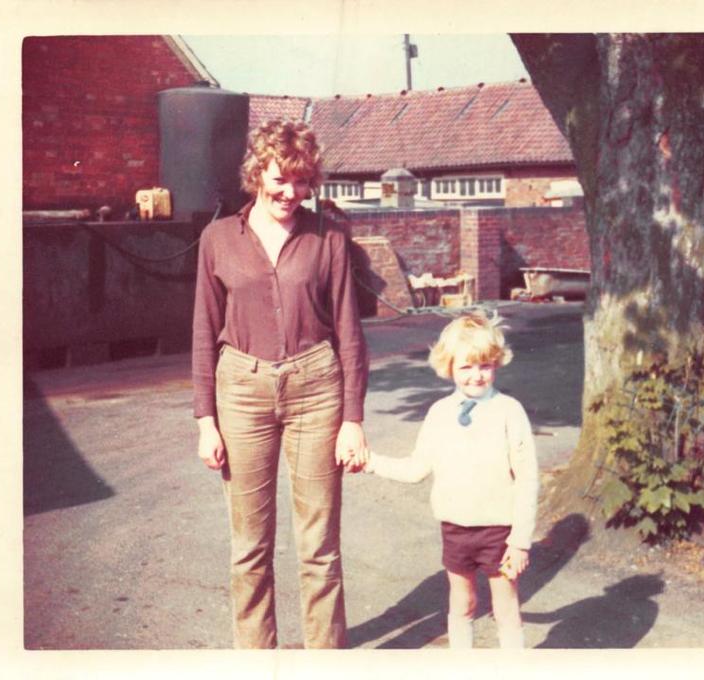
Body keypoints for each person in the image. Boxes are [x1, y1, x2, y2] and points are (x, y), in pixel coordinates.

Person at [191, 119, 369, 649]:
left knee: (319, 547)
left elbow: (349, 332)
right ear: (257, 174)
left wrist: (353, 420)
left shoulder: (329, 237)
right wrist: (206, 419)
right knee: (249, 546)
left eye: (302, 181)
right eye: (280, 180)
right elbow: (203, 329)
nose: (291, 193)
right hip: (241, 391)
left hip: (316, 387)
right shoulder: (218, 238)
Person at [361, 312, 538, 648]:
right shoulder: (440, 413)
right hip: (456, 530)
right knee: (463, 604)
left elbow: (528, 480)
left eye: (484, 365)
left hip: (499, 530)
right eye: (466, 367)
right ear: (449, 367)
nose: (476, 375)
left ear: (496, 364)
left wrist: (520, 541)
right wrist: (371, 463)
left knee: (505, 608)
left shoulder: (509, 411)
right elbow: (416, 469)